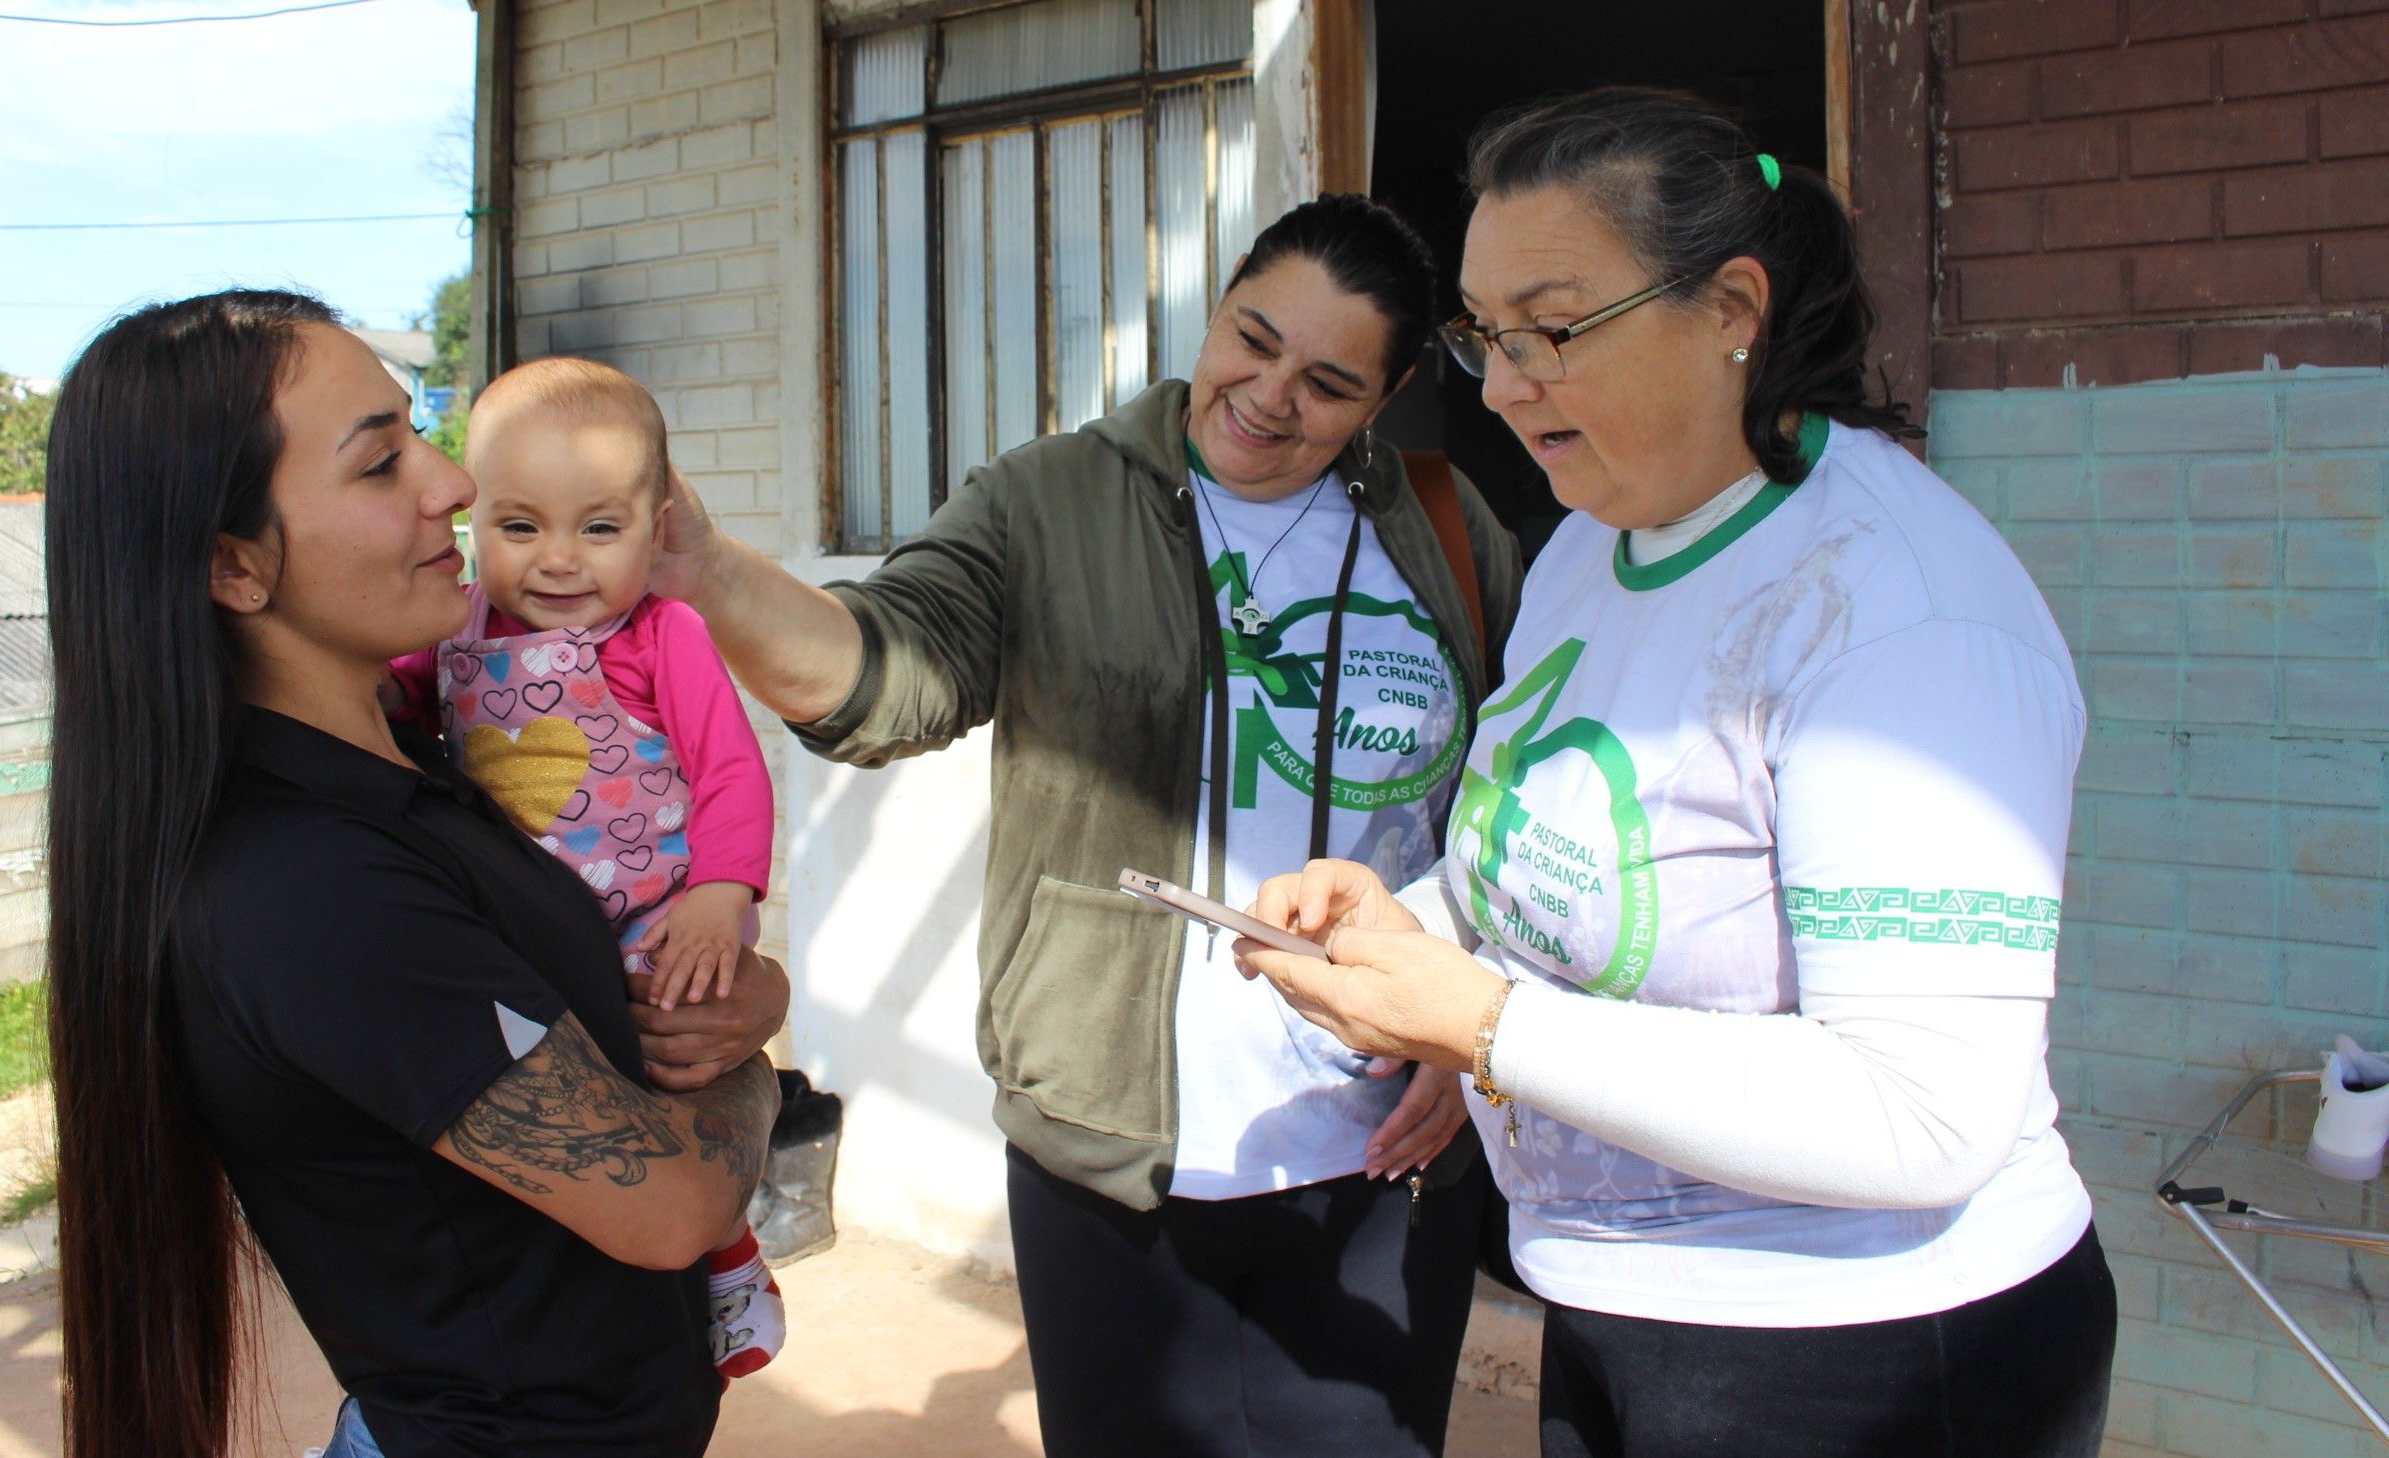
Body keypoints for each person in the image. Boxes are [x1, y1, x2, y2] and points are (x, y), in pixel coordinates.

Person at [1239, 89, 2117, 1458]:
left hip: (1863, 1349)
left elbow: (1927, 1112)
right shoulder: (1595, 537)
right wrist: (1414, 919)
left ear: (1732, 309)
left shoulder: (1898, 612)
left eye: (1556, 326)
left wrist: (1483, 1025)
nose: (1509, 384)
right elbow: (1553, 846)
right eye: (1483, 336)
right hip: (1612, 1297)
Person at [650, 194, 1524, 1456]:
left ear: (1381, 404)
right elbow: (892, 671)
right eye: (1252, 336)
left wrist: (1465, 1024)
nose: (1270, 395)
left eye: (1328, 382)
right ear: (1216, 307)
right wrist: (716, 575)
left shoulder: (1442, 527)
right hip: (1111, 1153)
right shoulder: (1051, 499)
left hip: (1384, 1156)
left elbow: (1510, 788)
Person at [42, 290, 786, 1458]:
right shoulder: (306, 886)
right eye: (383, 461)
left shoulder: (421, 752)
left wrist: (742, 983)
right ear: (234, 567)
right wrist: (751, 1064)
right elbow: (671, 1205)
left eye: (421, 430)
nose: (451, 484)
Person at [384, 357, 786, 1384]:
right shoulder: (457, 632)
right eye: (520, 528)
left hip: (662, 920)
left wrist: (721, 896)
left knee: (676, 1076)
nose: (559, 562)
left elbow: (732, 770)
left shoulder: (665, 634)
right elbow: (392, 706)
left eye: (599, 529)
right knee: (574, 1121)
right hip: (533, 931)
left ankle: (731, 1259)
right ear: (475, 524)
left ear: (656, 532)